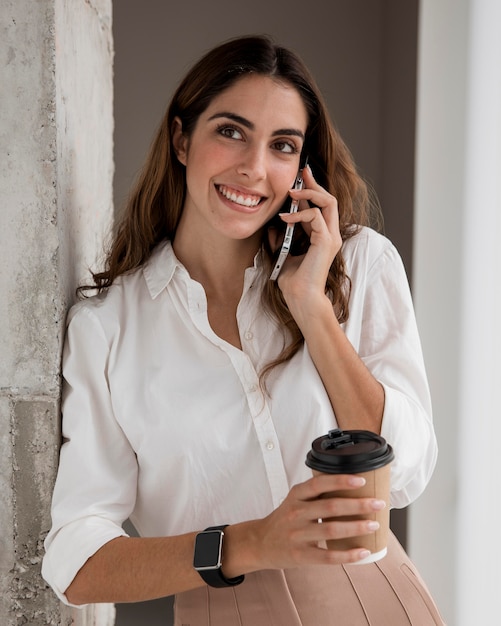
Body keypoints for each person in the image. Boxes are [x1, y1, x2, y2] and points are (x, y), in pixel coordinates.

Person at [42, 35, 444, 624]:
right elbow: (75, 563)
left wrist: (312, 308)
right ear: (182, 139)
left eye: (282, 146)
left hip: (373, 597)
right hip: (222, 611)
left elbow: (405, 470)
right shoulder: (110, 328)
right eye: (230, 131)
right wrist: (250, 543)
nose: (254, 169)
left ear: (302, 168)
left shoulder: (358, 265)